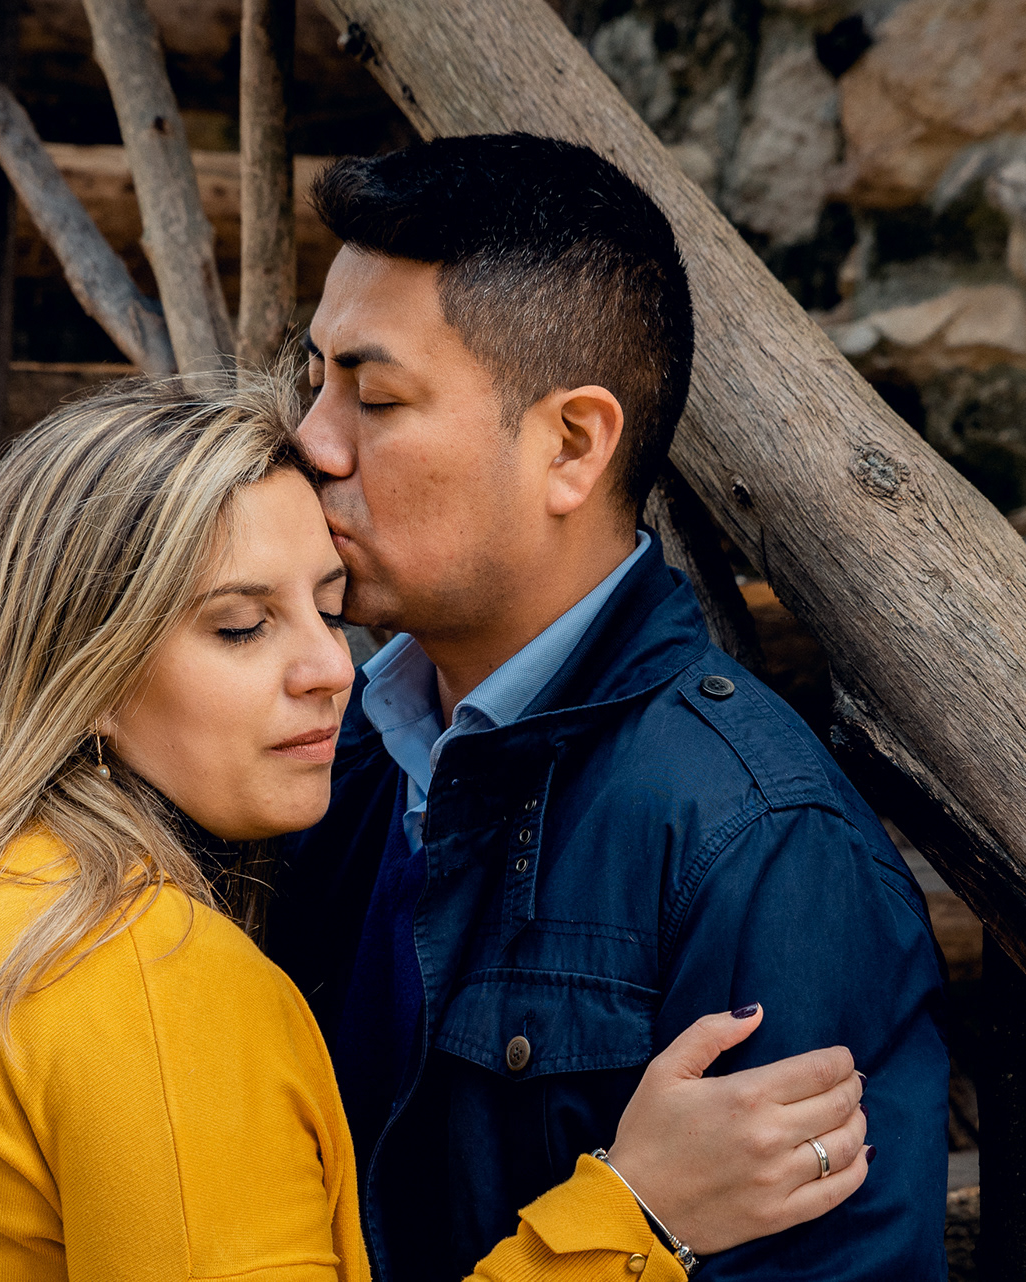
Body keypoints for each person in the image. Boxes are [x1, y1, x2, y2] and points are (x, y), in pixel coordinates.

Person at [0, 376, 870, 1281]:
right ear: (86, 670)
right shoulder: (142, 973)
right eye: (240, 626)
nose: (332, 670)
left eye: (327, 609)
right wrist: (635, 1213)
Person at [274, 133, 950, 1282]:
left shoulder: (754, 843)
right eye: (314, 380)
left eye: (374, 396)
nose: (312, 441)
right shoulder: (331, 754)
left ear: (573, 446)